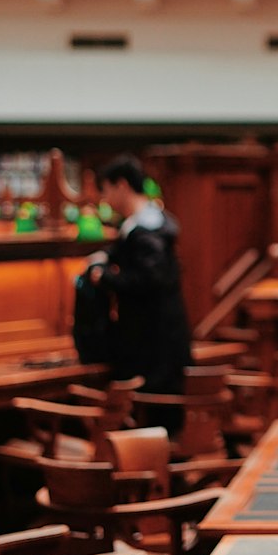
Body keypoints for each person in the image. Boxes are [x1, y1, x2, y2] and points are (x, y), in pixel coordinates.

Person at [85, 154, 192, 397]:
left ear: (121, 185)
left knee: (152, 414)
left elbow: (148, 280)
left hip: (152, 344)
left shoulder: (145, 230)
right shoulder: (154, 221)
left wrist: (104, 278)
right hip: (166, 336)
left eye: (105, 189)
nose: (105, 198)